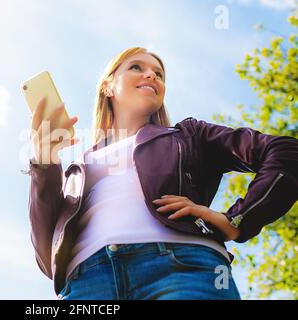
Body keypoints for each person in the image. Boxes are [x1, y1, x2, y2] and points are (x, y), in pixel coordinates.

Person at [24, 47, 298, 300]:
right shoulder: (79, 168)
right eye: (136, 67)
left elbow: (286, 153)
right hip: (87, 284)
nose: (151, 75)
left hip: (181, 268)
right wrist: (44, 162)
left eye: (159, 74)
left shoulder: (189, 135)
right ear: (108, 86)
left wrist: (237, 219)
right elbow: (48, 255)